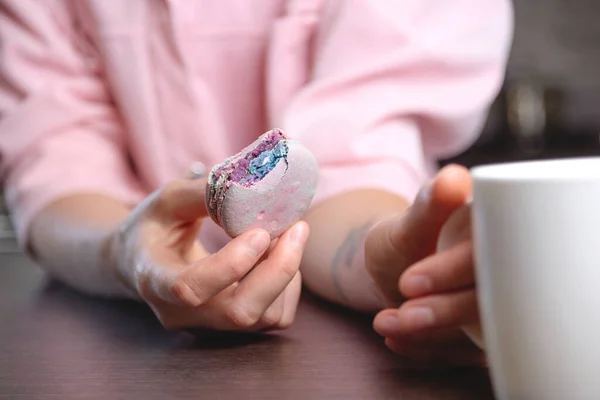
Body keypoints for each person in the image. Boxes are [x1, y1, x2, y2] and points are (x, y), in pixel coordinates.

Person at [0, 0, 513, 366]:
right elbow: (54, 160)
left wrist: (385, 256)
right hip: (114, 338)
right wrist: (123, 251)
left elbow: (352, 164)